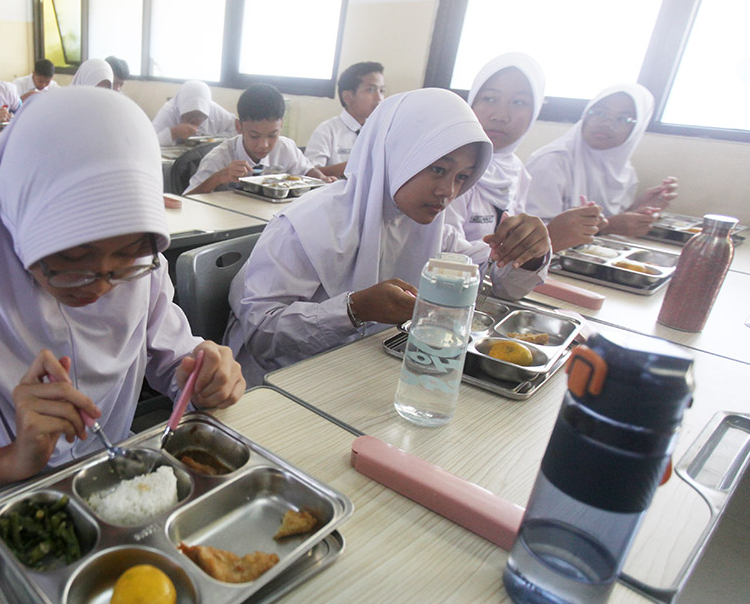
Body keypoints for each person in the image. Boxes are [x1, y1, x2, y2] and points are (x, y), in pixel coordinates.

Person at [0, 88, 246, 535]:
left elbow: (177, 360)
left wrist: (206, 376)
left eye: (127, 258)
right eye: (72, 262)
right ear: (18, 219)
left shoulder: (141, 272)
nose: (100, 286)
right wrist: (14, 460)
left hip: (112, 498)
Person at [225, 88, 551, 384]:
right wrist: (355, 310)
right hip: (284, 382)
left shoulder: (430, 228)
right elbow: (261, 334)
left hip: (363, 374)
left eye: (462, 177)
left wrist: (527, 253)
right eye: (438, 169)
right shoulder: (308, 226)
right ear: (397, 154)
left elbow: (492, 283)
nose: (447, 191)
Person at [448, 53, 598, 252]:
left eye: (519, 102)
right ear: (471, 103)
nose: (501, 116)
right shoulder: (449, 167)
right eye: (489, 98)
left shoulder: (516, 170)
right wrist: (543, 242)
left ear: (535, 111)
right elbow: (442, 256)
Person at [525, 83, 678, 238]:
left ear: (637, 129)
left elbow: (610, 223)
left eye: (623, 119)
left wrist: (638, 208)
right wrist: (608, 226)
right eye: (599, 113)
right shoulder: (552, 161)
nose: (606, 124)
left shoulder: (625, 171)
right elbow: (532, 237)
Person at [185, 83, 330, 195]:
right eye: (254, 136)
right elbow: (186, 201)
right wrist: (217, 178)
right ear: (239, 127)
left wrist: (323, 180)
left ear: (281, 126)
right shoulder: (219, 158)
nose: (264, 144)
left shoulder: (285, 148)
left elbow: (308, 171)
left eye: (273, 135)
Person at [305, 61, 385, 177]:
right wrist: (353, 166)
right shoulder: (327, 131)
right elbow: (309, 173)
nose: (379, 98)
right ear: (348, 97)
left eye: (382, 91)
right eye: (370, 90)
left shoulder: (380, 131)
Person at [150, 80, 235, 146]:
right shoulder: (169, 111)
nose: (194, 120)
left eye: (199, 116)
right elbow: (149, 141)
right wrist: (173, 133)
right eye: (189, 116)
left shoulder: (214, 111)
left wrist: (211, 138)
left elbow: (237, 131)